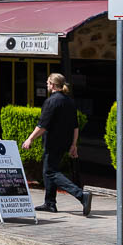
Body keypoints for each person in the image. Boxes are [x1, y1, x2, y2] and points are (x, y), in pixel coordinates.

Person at [22, 73, 92, 216]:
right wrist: (73, 145)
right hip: (64, 143)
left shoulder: (52, 101)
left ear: (53, 85)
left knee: (50, 172)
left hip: (52, 143)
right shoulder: (69, 101)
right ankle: (50, 203)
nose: (47, 85)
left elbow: (42, 126)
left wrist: (30, 139)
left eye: (48, 83)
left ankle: (81, 195)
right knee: (50, 170)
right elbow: (75, 127)